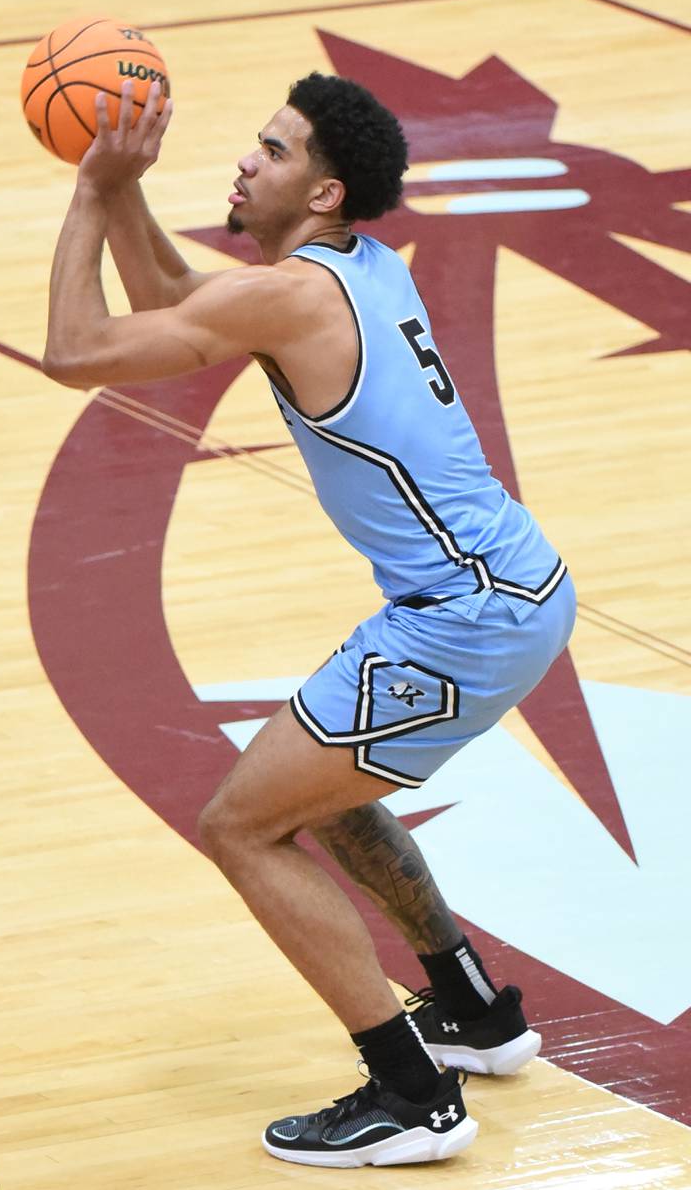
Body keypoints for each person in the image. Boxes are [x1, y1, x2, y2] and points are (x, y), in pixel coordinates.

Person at [43, 72, 576, 1168]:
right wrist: (131, 193)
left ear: (323, 191)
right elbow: (185, 295)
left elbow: (77, 350)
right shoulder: (352, 270)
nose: (246, 160)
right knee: (326, 790)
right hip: (508, 587)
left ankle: (412, 1093)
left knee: (239, 825)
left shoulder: (291, 294)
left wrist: (93, 193)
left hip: (461, 617)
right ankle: (472, 1011)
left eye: (272, 150)